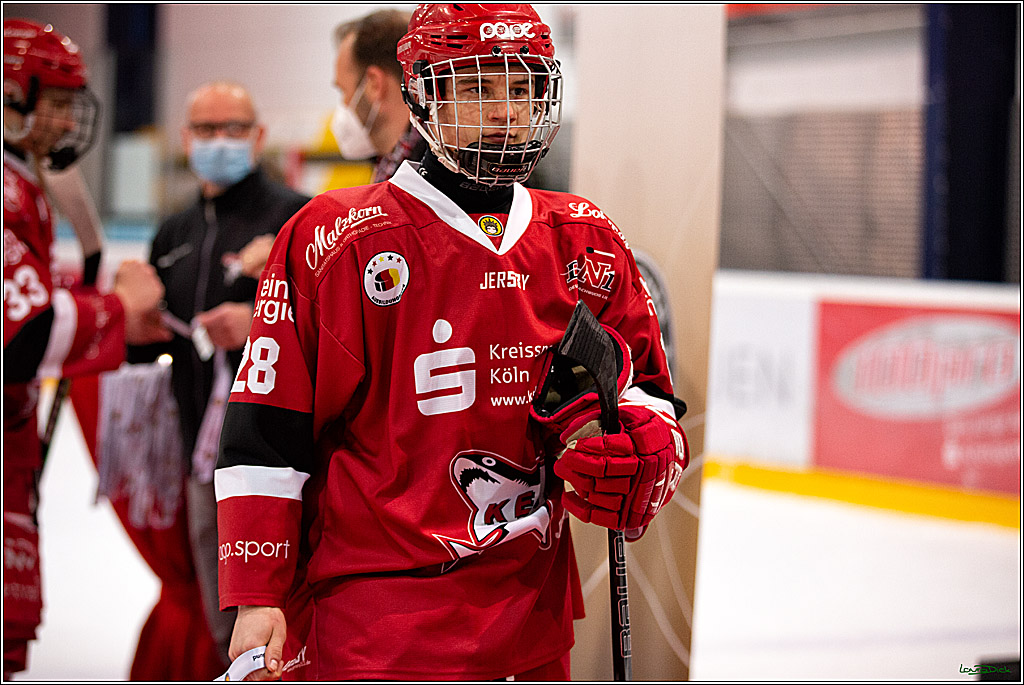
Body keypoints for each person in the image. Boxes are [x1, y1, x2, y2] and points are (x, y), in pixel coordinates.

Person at [216, 4, 689, 681]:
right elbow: (266, 430)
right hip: (378, 627)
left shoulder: (585, 238)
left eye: (522, 87)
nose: (505, 112)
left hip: (531, 620)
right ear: (422, 94)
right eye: (476, 87)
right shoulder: (334, 238)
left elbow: (643, 387)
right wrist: (257, 592)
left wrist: (646, 442)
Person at [3, 18, 168, 677]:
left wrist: (122, 330)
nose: (70, 118)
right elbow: (22, 338)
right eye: (56, 101)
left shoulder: (23, 182)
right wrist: (117, 309)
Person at [126, 81, 310, 667]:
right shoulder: (174, 232)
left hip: (283, 458)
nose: (220, 141)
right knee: (223, 631)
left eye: (234, 128)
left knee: (288, 627)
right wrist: (129, 316)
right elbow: (145, 350)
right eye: (206, 129)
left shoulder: (298, 215)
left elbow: (332, 328)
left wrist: (257, 320)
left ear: (258, 136)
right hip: (202, 459)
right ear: (186, 139)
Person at [331, 8, 427, 181]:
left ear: (375, 84)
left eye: (343, 91)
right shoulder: (390, 164)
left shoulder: (427, 172)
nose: (344, 105)